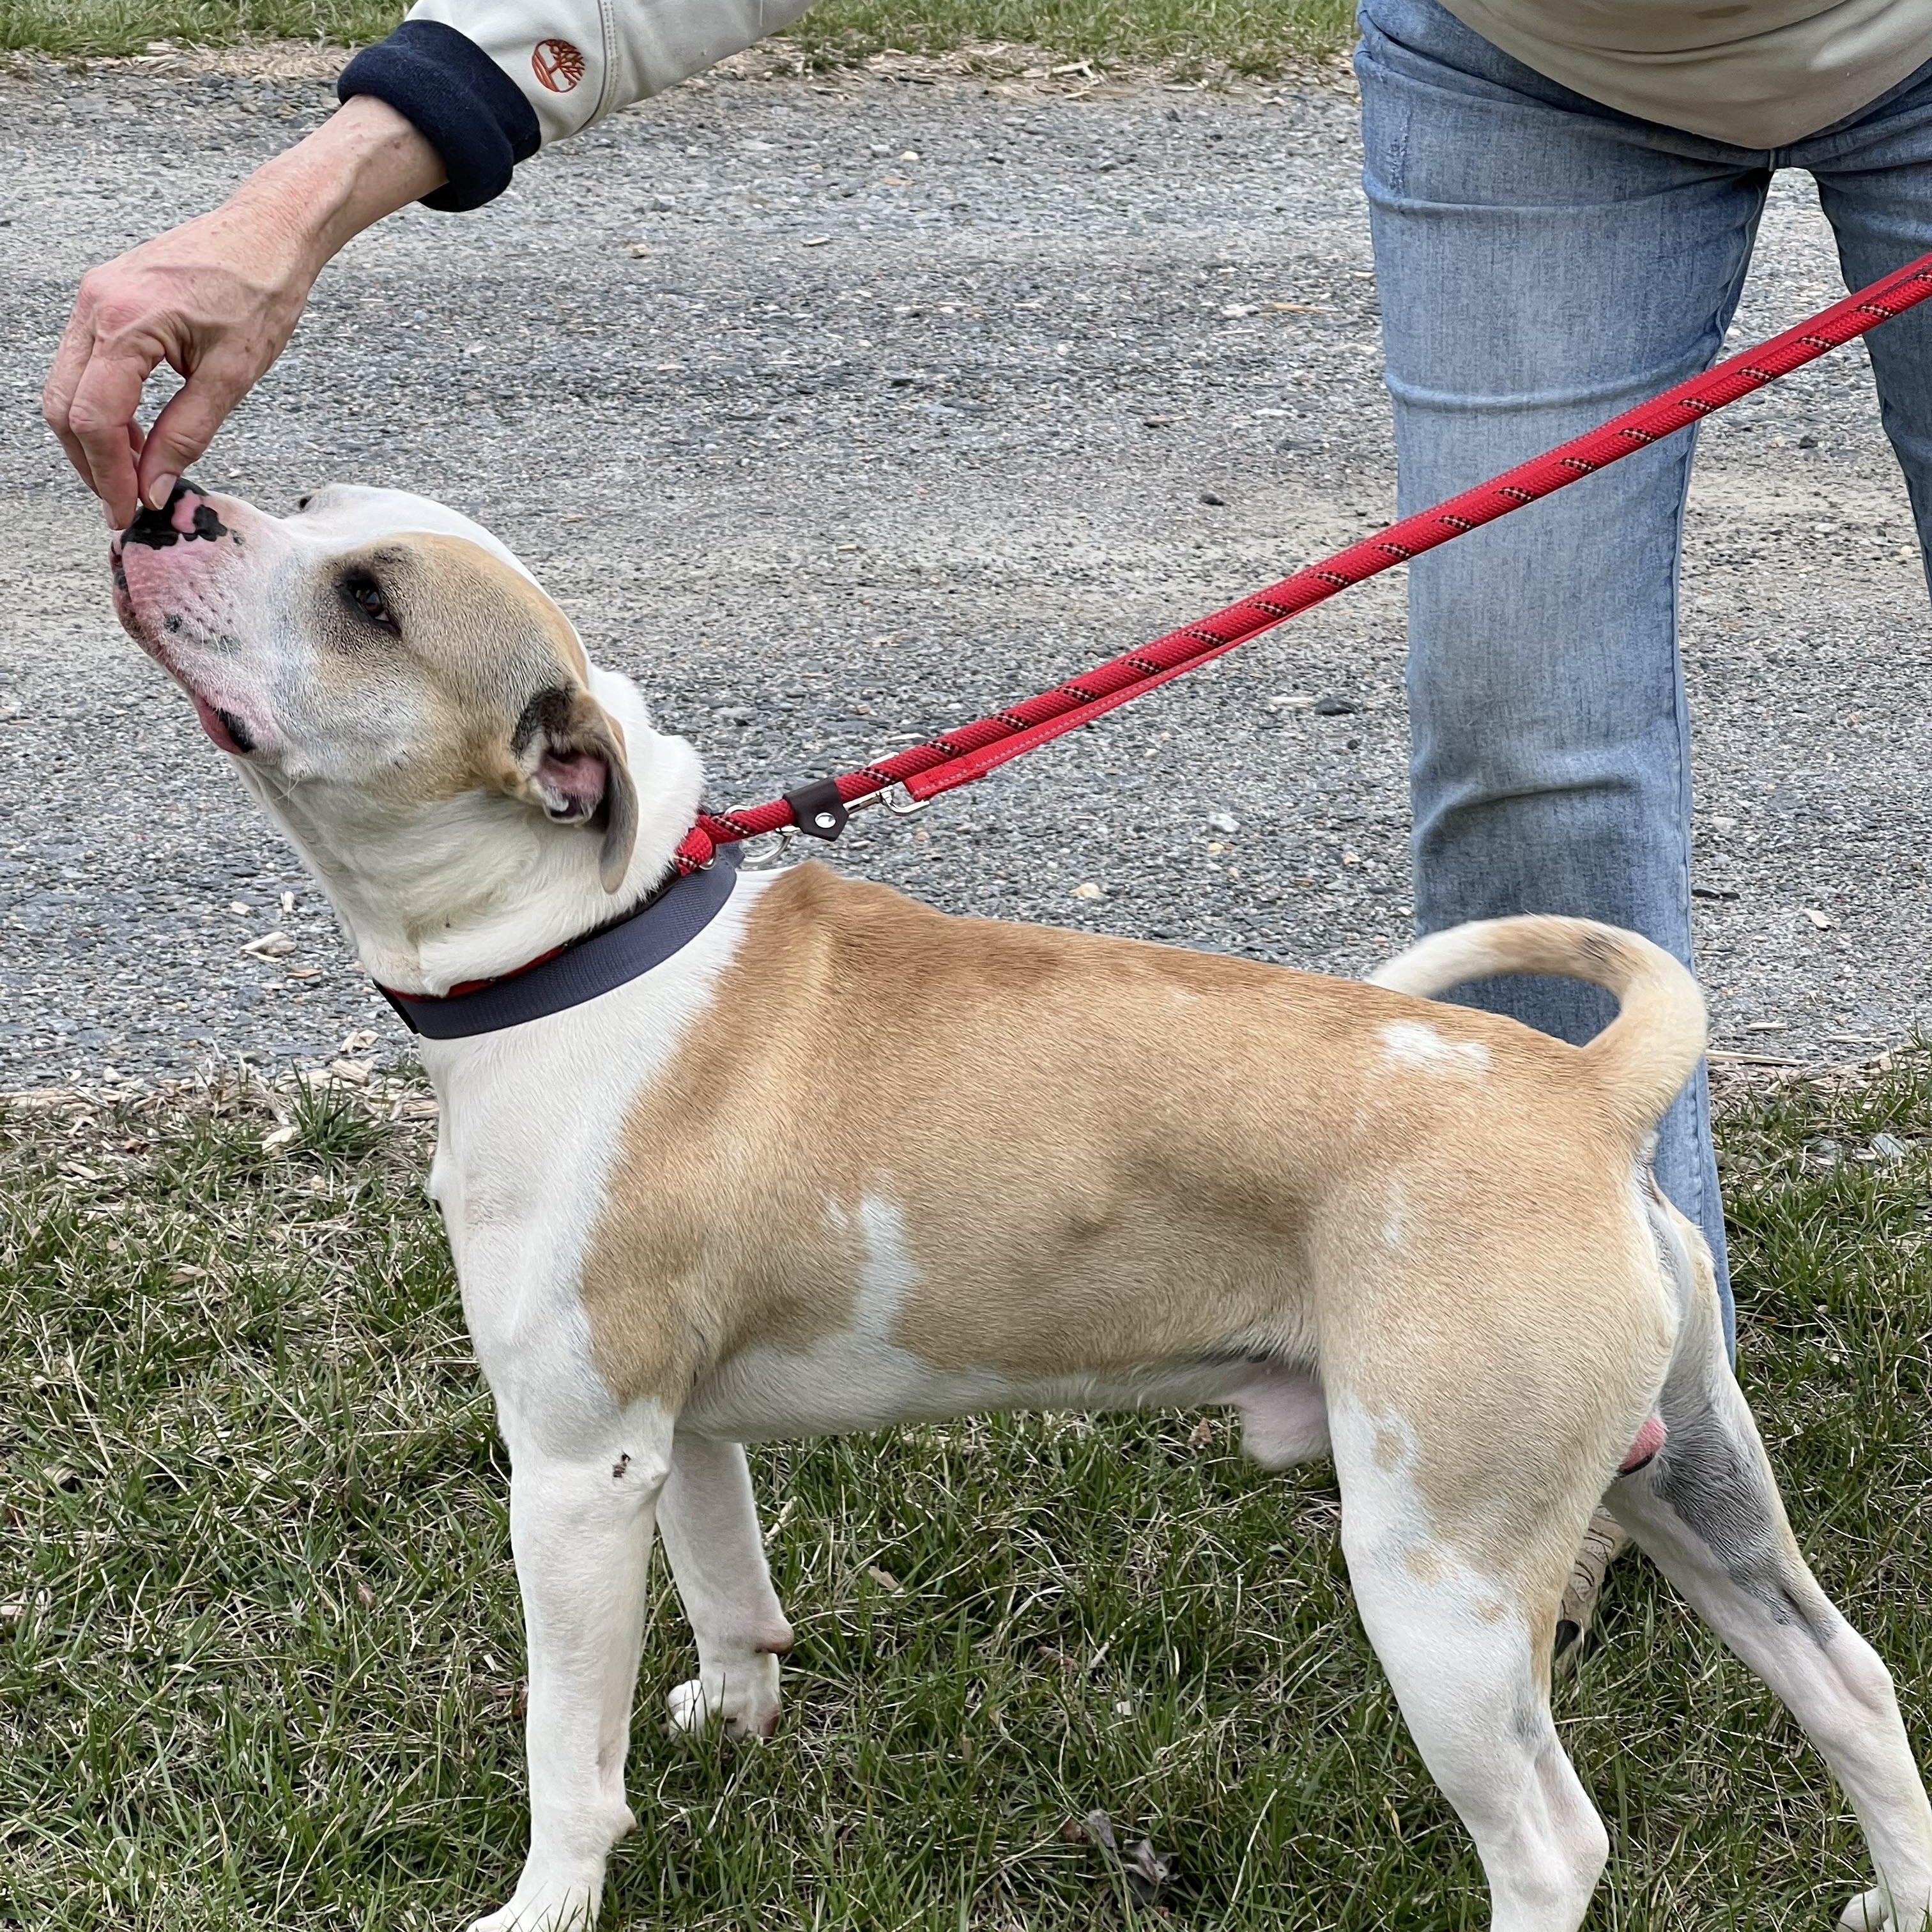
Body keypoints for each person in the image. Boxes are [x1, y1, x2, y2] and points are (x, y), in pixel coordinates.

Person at [45, 0, 1932, 1665]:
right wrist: (306, 195)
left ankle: (1564, 1362)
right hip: (1537, 67)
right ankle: (1573, 1405)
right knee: (1536, 739)